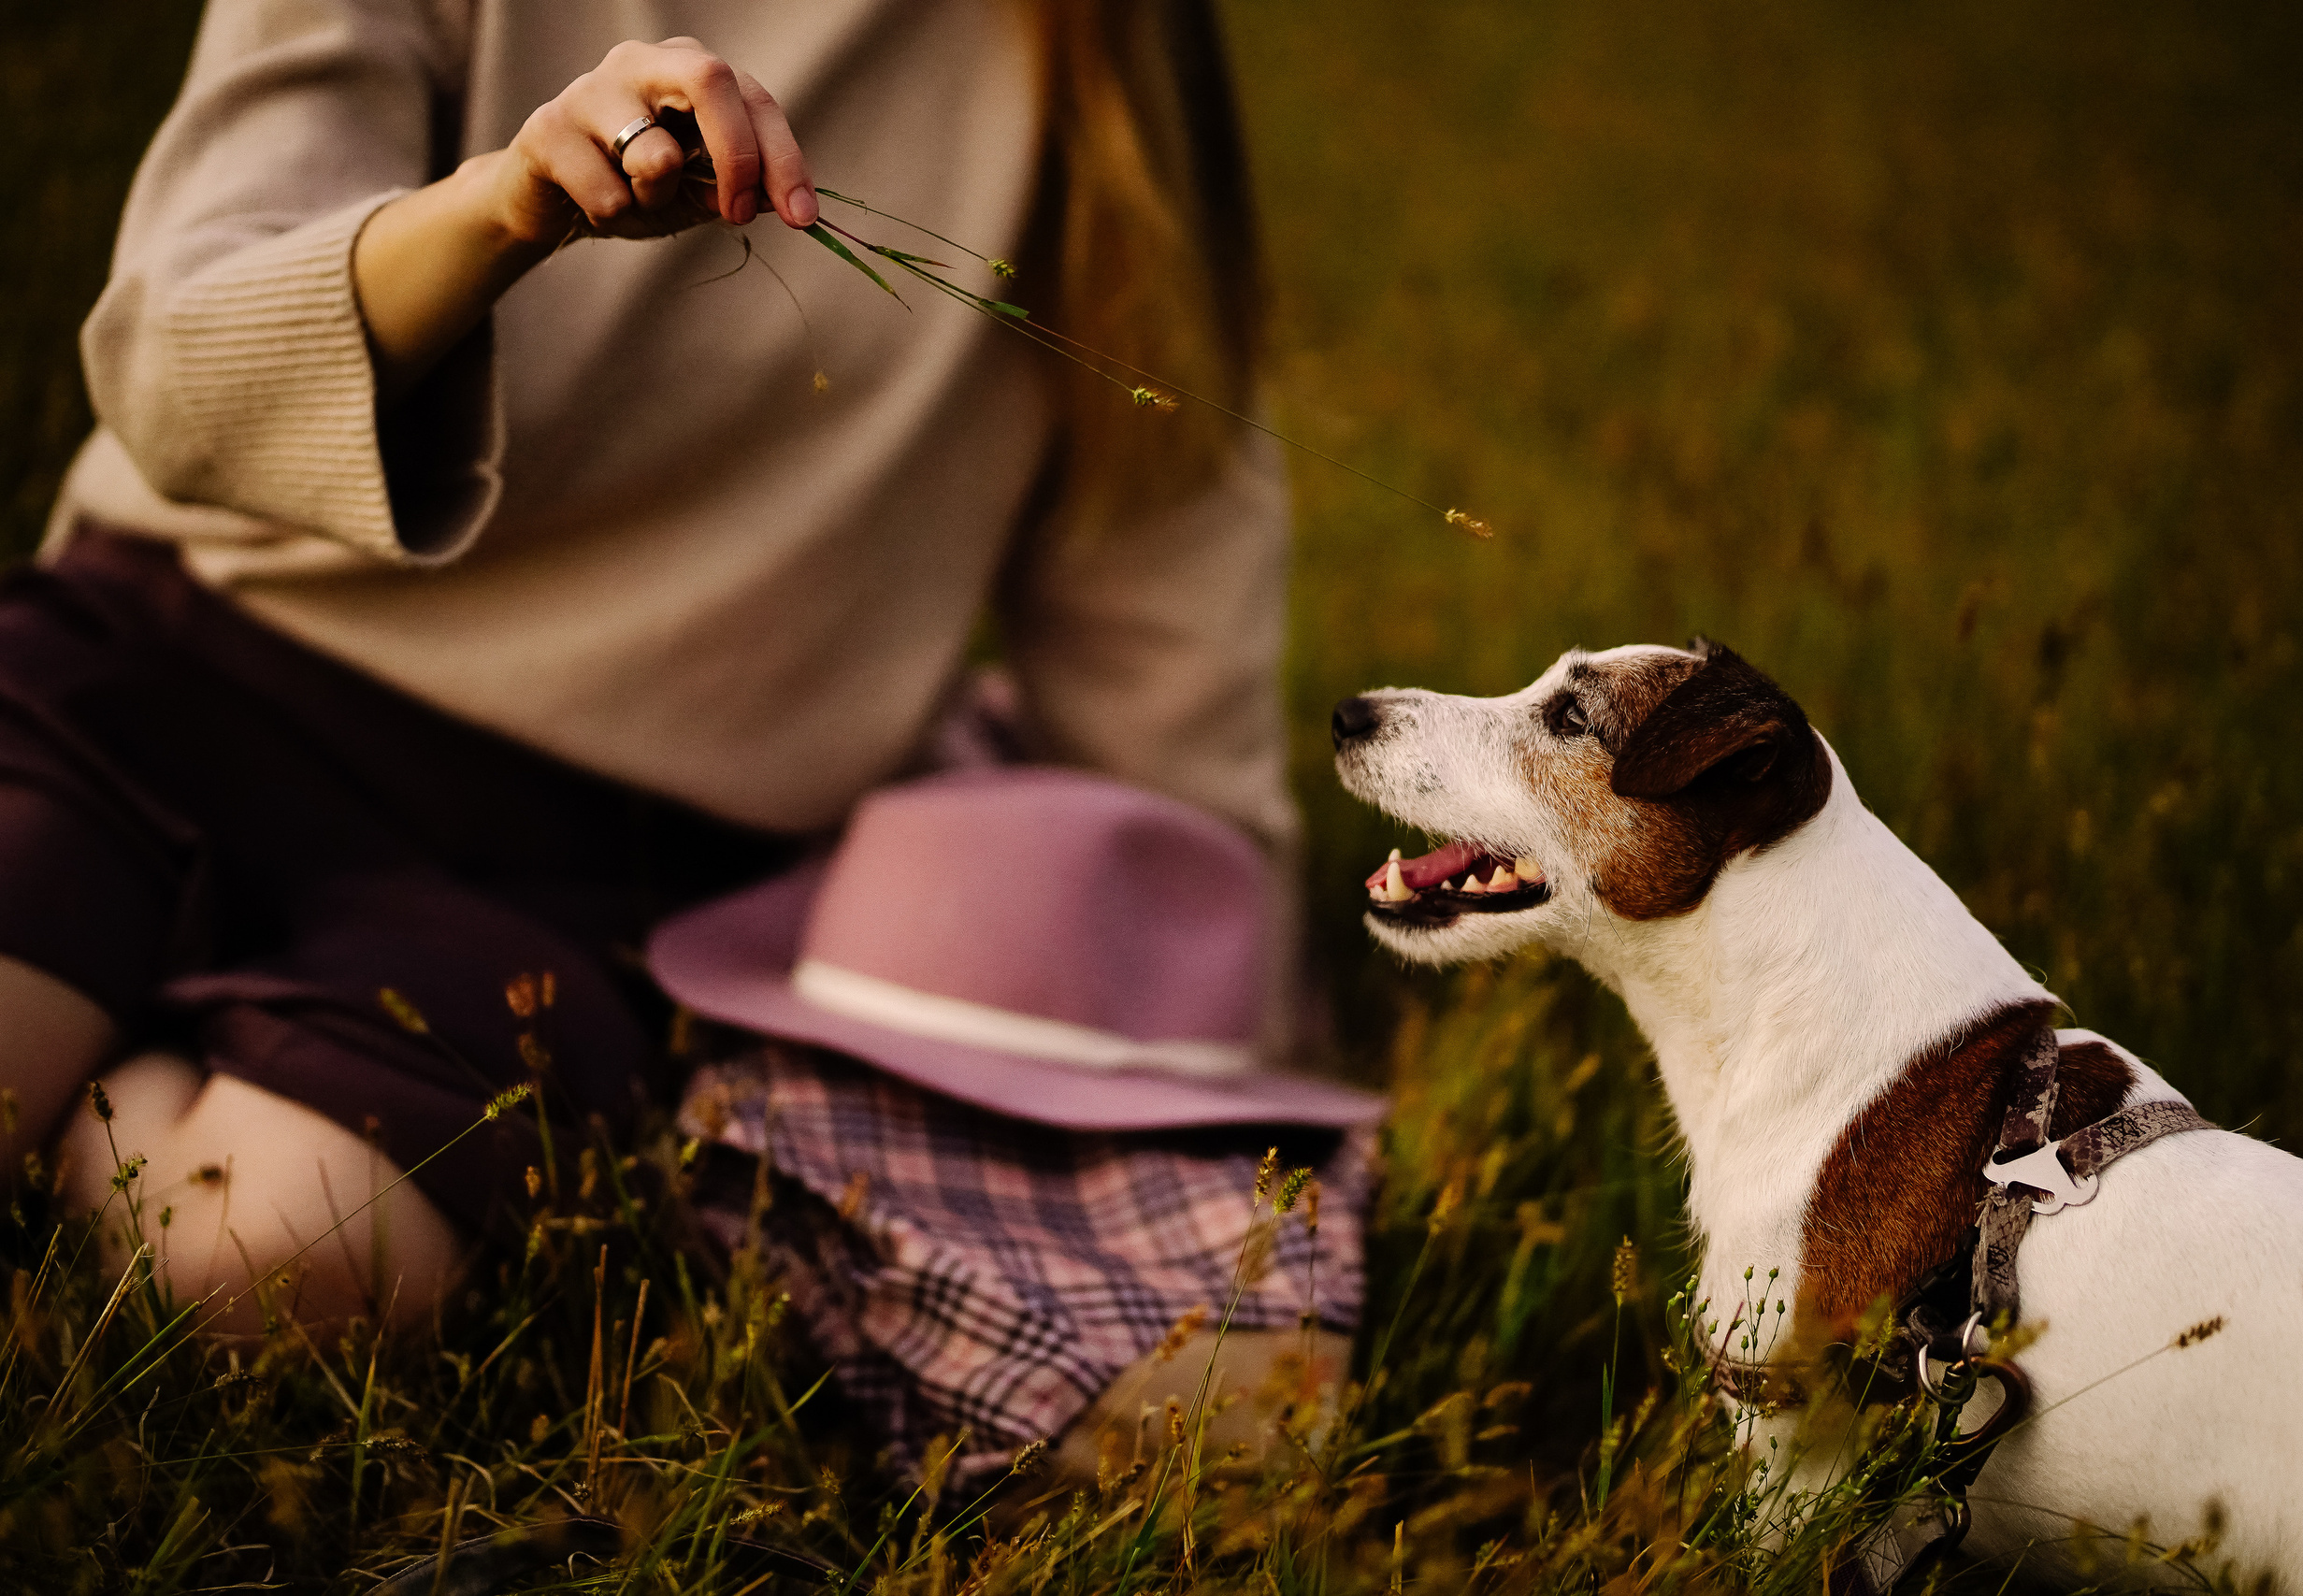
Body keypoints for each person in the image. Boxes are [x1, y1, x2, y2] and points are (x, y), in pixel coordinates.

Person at [1, 0, 1357, 1466]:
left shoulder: (1106, 39)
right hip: (170, 672)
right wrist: (506, 206)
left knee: (269, 1269)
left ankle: (114, 1044)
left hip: (586, 860)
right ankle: (120, 1005)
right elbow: (172, 362)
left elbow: (1159, 546)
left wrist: (1220, 970)